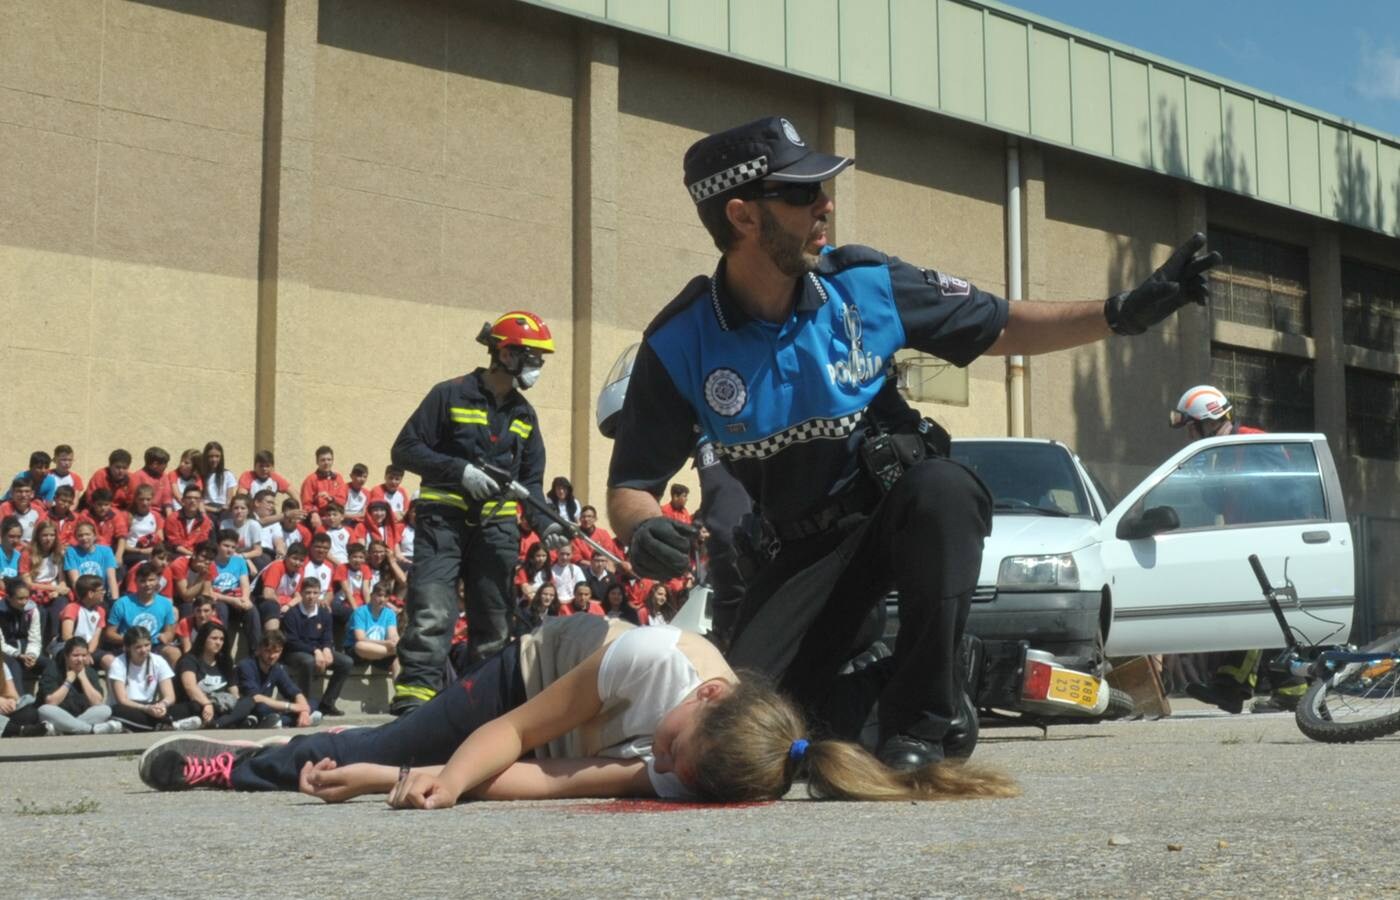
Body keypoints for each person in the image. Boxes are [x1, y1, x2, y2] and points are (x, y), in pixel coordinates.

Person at [605, 116, 1221, 769]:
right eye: (801, 194)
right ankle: (964, 673)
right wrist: (643, 530)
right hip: (800, 554)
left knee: (944, 489)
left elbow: (1002, 323)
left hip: (891, 514)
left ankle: (924, 723)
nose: (825, 205)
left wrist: (1123, 313)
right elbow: (631, 488)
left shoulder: (864, 285)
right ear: (743, 216)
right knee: (753, 743)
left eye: (822, 190)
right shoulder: (680, 343)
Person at [136, 616, 1019, 806]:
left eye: (674, 773)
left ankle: (348, 760)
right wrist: (424, 769)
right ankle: (235, 760)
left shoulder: (702, 767)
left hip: (561, 726)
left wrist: (402, 786)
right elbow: (519, 734)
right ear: (708, 696)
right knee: (380, 734)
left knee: (380, 761)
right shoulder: (654, 662)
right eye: (672, 752)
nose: (662, 766)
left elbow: (553, 777)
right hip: (532, 679)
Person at [387, 310, 566, 716]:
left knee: (494, 622)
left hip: (496, 529)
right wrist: (460, 471)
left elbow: (531, 484)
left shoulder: (524, 416)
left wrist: (547, 523)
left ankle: (479, 708)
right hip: (442, 522)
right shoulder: (448, 394)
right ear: (505, 355)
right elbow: (405, 450)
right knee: (432, 610)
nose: (538, 367)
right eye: (532, 357)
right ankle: (415, 703)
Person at [1169, 385, 1306, 715]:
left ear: (1211, 420)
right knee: (1255, 613)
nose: (1191, 434)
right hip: (1247, 544)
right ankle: (1240, 686)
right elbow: (1224, 500)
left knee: (1261, 613)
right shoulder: (1224, 451)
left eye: (1193, 426)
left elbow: (1287, 488)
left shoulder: (1253, 441)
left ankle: (1243, 687)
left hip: (1271, 541)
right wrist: (1207, 484)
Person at [107, 626, 202, 732]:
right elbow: (122, 700)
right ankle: (169, 725)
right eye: (138, 647)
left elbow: (170, 696)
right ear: (128, 648)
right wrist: (146, 709)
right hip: (131, 707)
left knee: (194, 706)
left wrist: (162, 705)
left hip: (152, 707)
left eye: (147, 645)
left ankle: (161, 725)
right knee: (116, 711)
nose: (143, 650)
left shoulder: (158, 661)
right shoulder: (118, 663)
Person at [280, 579, 351, 718]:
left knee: (346, 662)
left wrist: (327, 649)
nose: (311, 596)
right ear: (300, 593)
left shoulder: (324, 613)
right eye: (307, 592)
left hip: (317, 651)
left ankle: (327, 703)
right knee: (309, 662)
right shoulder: (291, 614)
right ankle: (303, 705)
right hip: (294, 653)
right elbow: (292, 642)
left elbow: (327, 635)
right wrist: (316, 650)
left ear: (320, 594)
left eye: (315, 593)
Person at [177, 621, 259, 729]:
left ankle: (217, 724)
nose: (218, 642)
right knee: (196, 707)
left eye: (221, 639)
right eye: (214, 638)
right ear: (203, 639)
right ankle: (235, 721)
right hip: (199, 704)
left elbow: (234, 692)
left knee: (248, 701)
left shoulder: (225, 663)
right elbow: (190, 686)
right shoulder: (189, 660)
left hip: (220, 706)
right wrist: (207, 704)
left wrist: (238, 704)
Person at [235, 627, 319, 729]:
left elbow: (295, 692)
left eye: (276, 652)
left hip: (270, 708)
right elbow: (255, 697)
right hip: (252, 707)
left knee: (312, 701)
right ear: (260, 649)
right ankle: (288, 720)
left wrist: (304, 711)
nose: (272, 656)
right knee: (261, 707)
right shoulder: (246, 665)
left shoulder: (276, 668)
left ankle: (293, 720)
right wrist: (290, 707)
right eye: (268, 651)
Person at [37, 637, 122, 735]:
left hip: (81, 716)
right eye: (75, 655)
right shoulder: (53, 669)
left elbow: (97, 702)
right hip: (58, 714)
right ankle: (91, 729)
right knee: (44, 710)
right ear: (66, 656)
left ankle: (66, 729)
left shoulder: (90, 672)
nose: (80, 659)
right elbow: (51, 702)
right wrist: (68, 681)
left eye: (84, 655)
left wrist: (83, 678)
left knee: (105, 709)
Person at [106, 563, 180, 667]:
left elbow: (170, 632)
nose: (147, 584)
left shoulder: (165, 603)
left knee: (174, 652)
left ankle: (170, 682)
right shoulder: (122, 603)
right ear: (136, 581)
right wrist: (131, 641)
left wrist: (166, 636)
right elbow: (110, 634)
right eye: (143, 581)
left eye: (151, 580)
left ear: (158, 581)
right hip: (130, 646)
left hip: (154, 646)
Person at [347, 581, 399, 673]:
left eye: (386, 596)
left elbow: (393, 635)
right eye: (379, 595)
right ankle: (396, 652)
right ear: (372, 595)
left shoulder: (390, 613)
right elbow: (360, 638)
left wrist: (394, 641)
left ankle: (399, 687)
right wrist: (386, 644)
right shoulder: (360, 612)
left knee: (397, 660)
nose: (382, 599)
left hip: (379, 654)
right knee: (360, 646)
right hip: (359, 654)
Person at [1, 577, 45, 684]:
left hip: (26, 650)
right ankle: (19, 699)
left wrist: (31, 655)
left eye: (27, 598)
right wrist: (18, 655)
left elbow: (35, 638)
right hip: (7, 652)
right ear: (9, 598)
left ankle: (46, 698)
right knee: (13, 664)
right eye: (20, 598)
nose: (24, 602)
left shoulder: (32, 610)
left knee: (49, 664)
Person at [58, 575, 108, 666]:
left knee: (110, 661)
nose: (104, 593)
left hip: (89, 650)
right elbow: (67, 636)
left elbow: (95, 638)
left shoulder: (101, 611)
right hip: (70, 649)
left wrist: (87, 653)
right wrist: (82, 654)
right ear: (90, 594)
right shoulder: (72, 608)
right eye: (101, 590)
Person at [64, 520, 119, 601]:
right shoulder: (71, 552)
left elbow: (111, 578)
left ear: (95, 536)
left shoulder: (106, 551)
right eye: (80, 535)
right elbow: (75, 582)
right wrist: (84, 602)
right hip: (82, 597)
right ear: (76, 538)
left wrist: (115, 600)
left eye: (87, 534)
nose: (84, 538)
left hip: (101, 595)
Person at [0, 648, 46, 737]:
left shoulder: (2, 665)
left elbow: (12, 694)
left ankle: (10, 730)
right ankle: (19, 730)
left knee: (30, 713)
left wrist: (11, 702)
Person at [299, 446, 347, 530]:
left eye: (329, 459)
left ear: (332, 461)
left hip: (335, 519)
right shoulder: (311, 479)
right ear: (317, 462)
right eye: (323, 460)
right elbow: (306, 503)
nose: (326, 463)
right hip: (318, 518)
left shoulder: (338, 478)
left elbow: (342, 500)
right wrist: (313, 513)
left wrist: (331, 498)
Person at [164, 485, 214, 557]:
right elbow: (174, 543)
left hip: (197, 555)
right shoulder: (173, 518)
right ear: (183, 500)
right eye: (189, 498)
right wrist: (190, 554)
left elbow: (202, 542)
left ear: (200, 501)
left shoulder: (205, 520)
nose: (192, 501)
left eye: (196, 498)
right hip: (176, 554)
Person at [122, 484, 164, 567]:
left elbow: (160, 538)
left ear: (152, 500)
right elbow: (122, 544)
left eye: (148, 499)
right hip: (132, 553)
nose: (145, 503)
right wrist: (141, 551)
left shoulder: (156, 516)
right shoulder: (127, 516)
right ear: (136, 500)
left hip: (150, 552)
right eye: (141, 499)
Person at [199, 442, 238, 522]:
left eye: (217, 456)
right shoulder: (201, 475)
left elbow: (229, 499)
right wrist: (214, 510)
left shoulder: (227, 475)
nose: (214, 459)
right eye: (211, 456)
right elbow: (199, 501)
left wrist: (224, 508)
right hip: (206, 508)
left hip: (223, 509)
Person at [0, 476, 47, 543]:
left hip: (32, 547)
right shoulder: (4, 508)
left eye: (27, 491)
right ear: (12, 494)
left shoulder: (38, 510)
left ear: (32, 494)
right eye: (19, 491)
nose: (23, 495)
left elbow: (42, 533)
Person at [129, 447, 173, 512]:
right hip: (142, 513)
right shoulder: (137, 476)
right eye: (165, 464)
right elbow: (134, 501)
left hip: (160, 514)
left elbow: (167, 500)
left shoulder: (163, 476)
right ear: (155, 464)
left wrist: (169, 518)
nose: (166, 466)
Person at [163, 449, 203, 514]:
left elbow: (199, 498)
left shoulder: (197, 479)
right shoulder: (173, 474)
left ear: (195, 466)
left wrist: (202, 514)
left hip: (191, 511)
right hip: (176, 510)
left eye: (186, 463)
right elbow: (177, 495)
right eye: (181, 461)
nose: (182, 464)